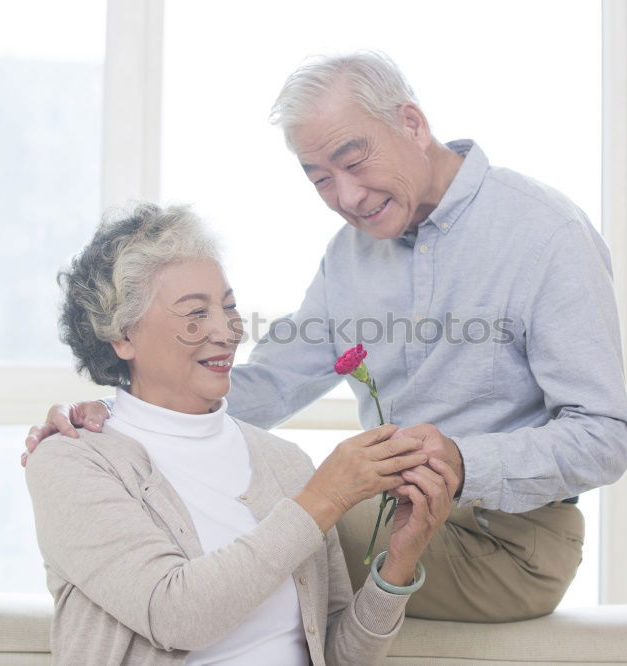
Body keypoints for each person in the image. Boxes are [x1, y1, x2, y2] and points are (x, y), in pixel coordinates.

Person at [25, 52, 627, 623]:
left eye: (353, 159)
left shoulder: (545, 233)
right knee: (202, 525)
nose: (344, 197)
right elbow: (268, 385)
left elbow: (606, 436)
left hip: (509, 542)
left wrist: (461, 461)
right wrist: (117, 422)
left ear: (413, 123)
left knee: (255, 520)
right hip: (389, 513)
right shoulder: (350, 255)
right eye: (318, 178)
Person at [25, 203, 457, 665]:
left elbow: (335, 656)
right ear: (123, 336)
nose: (228, 331)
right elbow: (175, 615)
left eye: (228, 307)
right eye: (195, 314)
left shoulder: (284, 462)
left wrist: (398, 563)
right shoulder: (72, 461)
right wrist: (325, 499)